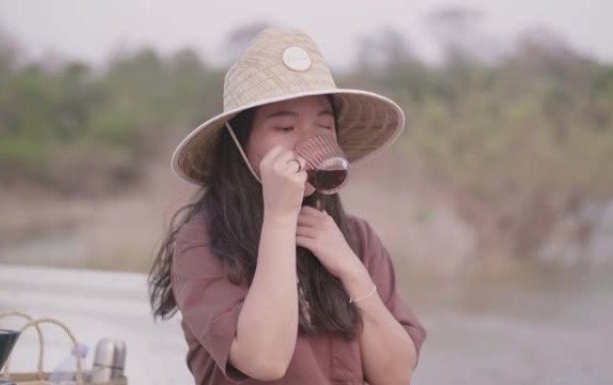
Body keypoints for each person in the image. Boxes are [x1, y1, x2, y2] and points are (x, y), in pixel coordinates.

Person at [148, 27, 426, 385]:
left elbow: (396, 375)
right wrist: (279, 219)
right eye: (284, 127)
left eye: (324, 125)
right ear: (240, 144)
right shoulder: (202, 242)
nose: (309, 140)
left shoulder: (356, 238)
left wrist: (351, 270)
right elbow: (264, 360)